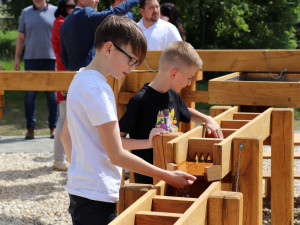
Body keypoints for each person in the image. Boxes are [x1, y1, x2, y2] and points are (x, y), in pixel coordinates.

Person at [60, 15, 196, 224]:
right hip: (98, 197)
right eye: (131, 60)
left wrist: (82, 170)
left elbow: (65, 136)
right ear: (109, 48)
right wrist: (167, 176)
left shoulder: (79, 79)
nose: (132, 68)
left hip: (80, 192)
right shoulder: (99, 90)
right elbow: (116, 155)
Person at [119, 41, 224, 184]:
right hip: (148, 181)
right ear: (174, 73)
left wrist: (207, 119)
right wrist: (149, 143)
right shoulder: (140, 101)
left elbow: (187, 111)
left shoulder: (173, 96)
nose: (189, 83)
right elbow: (119, 141)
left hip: (173, 174)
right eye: (188, 78)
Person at [14, 0, 58, 140]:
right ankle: (30, 128)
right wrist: (16, 58)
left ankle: (53, 127)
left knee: (52, 96)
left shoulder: (56, 11)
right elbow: (21, 37)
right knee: (30, 96)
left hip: (51, 60)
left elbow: (60, 37)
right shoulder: (26, 12)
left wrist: (61, 60)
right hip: (31, 60)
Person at [60, 0, 140, 71]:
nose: (97, 1)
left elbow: (64, 57)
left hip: (71, 77)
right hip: (88, 74)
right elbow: (113, 14)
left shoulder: (65, 22)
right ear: (82, 0)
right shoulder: (85, 13)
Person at [51, 0, 75, 171]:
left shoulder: (63, 22)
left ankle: (63, 158)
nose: (73, 10)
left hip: (67, 72)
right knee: (64, 115)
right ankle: (59, 159)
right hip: (65, 73)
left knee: (67, 116)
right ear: (63, 8)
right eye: (70, 7)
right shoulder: (61, 23)